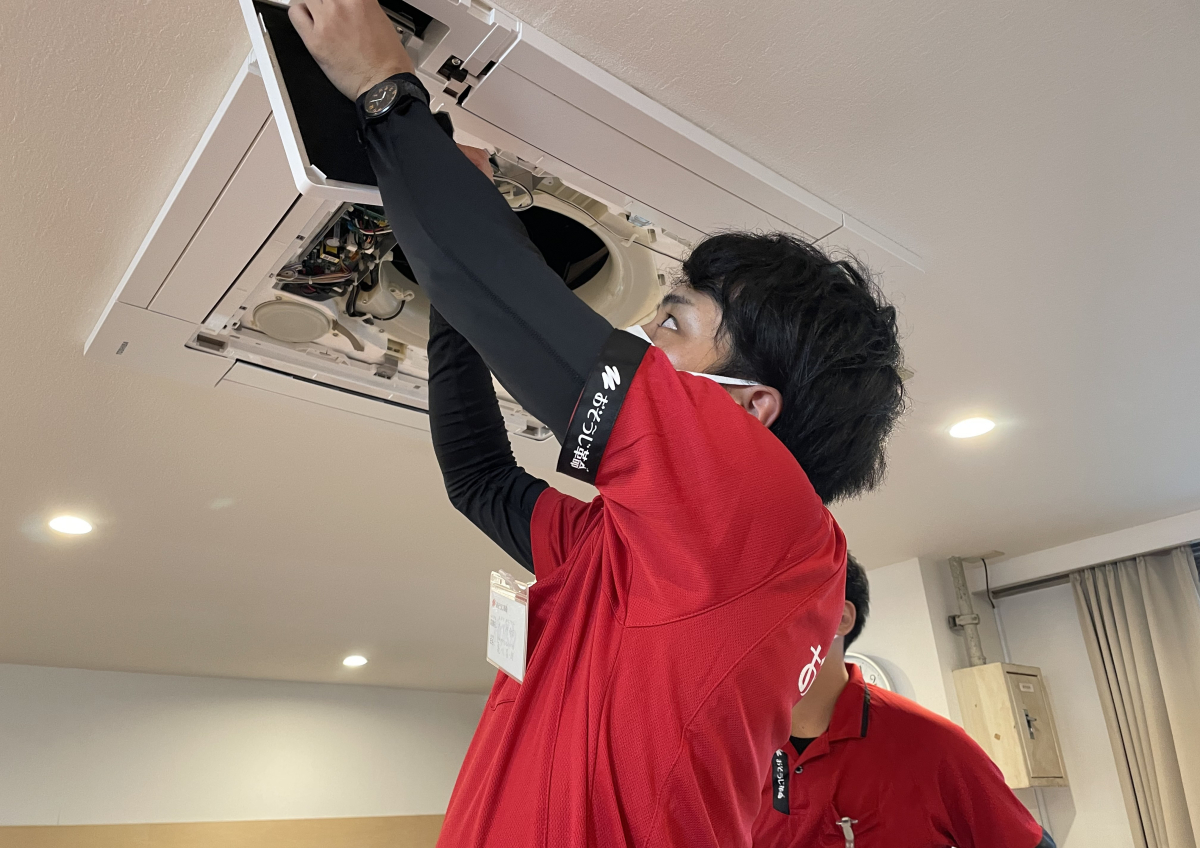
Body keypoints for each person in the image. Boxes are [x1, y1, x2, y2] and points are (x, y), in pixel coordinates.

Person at [288, 2, 905, 845]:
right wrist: (453, 299)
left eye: (673, 322)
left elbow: (503, 298)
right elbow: (478, 478)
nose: (639, 336)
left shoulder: (765, 527)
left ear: (747, 408)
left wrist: (385, 91)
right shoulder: (665, 562)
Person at [753, 555, 1056, 848]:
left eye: (776, 609)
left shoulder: (932, 745)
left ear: (839, 619)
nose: (752, 636)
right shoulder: (740, 752)